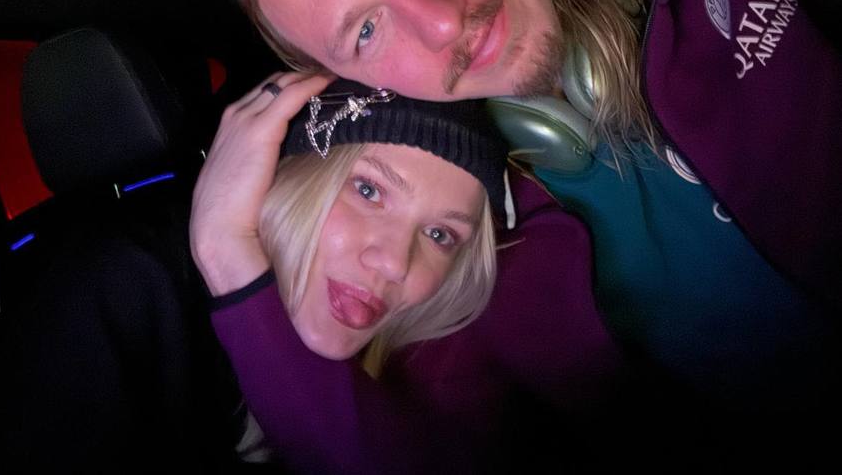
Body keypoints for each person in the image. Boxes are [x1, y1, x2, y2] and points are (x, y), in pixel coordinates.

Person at [201, 0, 842, 467]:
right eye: (365, 31)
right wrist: (226, 252)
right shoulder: (462, 244)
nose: (443, 20)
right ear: (352, 81)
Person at [193, 73, 625, 473]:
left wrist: (226, 250)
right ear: (289, 179)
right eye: (368, 191)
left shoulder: (449, 367)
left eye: (440, 234)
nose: (395, 263)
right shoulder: (163, 327)